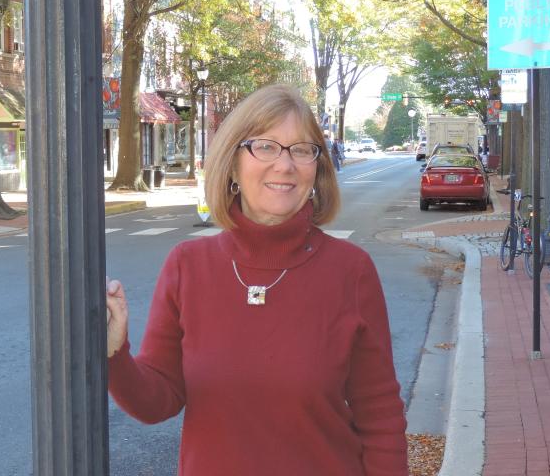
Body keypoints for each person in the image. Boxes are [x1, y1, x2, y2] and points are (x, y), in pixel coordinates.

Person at [106, 84, 408, 475]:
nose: (285, 165)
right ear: (232, 164)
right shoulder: (188, 265)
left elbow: (380, 413)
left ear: (317, 168)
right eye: (265, 146)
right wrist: (114, 354)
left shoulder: (350, 271)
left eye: (301, 150)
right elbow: (157, 400)